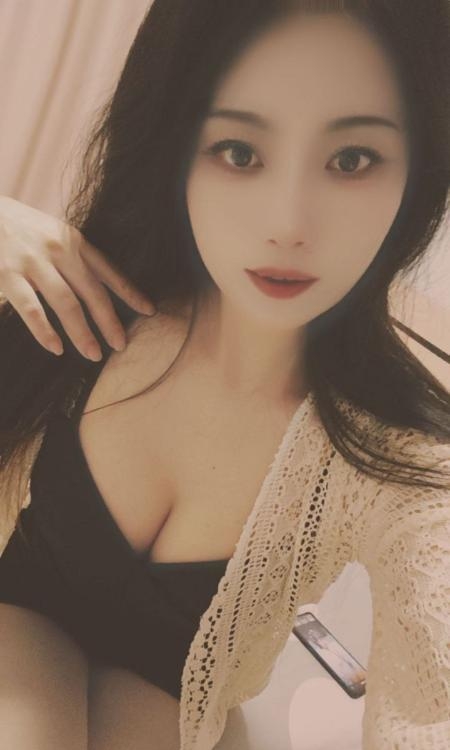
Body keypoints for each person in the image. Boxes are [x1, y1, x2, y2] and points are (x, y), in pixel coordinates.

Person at [0, 2, 449, 749]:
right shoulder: (72, 302)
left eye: (351, 160)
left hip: (171, 710)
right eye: (239, 152)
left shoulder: (394, 457)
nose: (288, 223)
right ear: (175, 143)